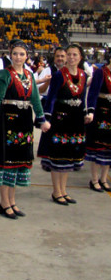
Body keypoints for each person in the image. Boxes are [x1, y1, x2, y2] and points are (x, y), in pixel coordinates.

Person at [0, 40, 50, 219]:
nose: (18, 57)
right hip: (7, 122)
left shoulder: (29, 75)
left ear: (27, 56)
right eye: (15, 53)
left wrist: (42, 119)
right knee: (7, 164)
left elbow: (36, 100)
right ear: (10, 54)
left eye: (22, 54)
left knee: (17, 164)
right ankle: (4, 203)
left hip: (24, 122)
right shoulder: (4, 74)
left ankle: (12, 201)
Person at [37, 44, 88, 205]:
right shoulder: (60, 75)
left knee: (69, 157)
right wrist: (47, 118)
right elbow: (51, 97)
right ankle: (56, 191)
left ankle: (64, 190)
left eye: (75, 55)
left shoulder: (83, 75)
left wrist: (86, 112)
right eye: (69, 55)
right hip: (60, 119)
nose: (71, 58)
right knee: (58, 157)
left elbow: (84, 97)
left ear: (80, 57)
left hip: (76, 119)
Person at [85, 59, 111, 192]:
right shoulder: (101, 72)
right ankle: (94, 180)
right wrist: (91, 111)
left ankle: (104, 179)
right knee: (97, 148)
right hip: (101, 113)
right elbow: (93, 94)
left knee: (108, 149)